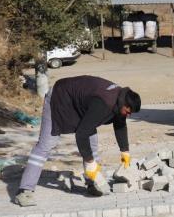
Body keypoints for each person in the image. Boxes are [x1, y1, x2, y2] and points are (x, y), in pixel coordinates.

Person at [14, 75, 142, 206]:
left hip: (79, 105)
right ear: (124, 104)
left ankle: (92, 183)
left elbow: (120, 124)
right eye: (128, 111)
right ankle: (24, 191)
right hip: (59, 100)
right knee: (46, 144)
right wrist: (90, 161)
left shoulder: (120, 100)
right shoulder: (104, 103)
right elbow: (81, 135)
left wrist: (125, 151)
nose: (128, 115)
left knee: (92, 145)